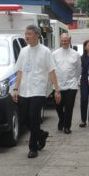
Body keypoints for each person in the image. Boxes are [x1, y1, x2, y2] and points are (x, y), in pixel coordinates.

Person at [12, 25, 61, 158]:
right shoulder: (23, 51)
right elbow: (20, 71)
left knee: (34, 118)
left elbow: (51, 71)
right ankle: (41, 134)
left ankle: (33, 148)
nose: (26, 36)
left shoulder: (45, 52)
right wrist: (15, 88)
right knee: (24, 118)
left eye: (29, 34)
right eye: (25, 34)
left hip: (38, 90)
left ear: (37, 35)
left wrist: (57, 90)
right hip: (24, 90)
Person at [52, 33, 81, 134]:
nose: (64, 42)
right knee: (58, 106)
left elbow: (78, 69)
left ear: (69, 41)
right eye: (62, 40)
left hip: (72, 84)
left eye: (66, 40)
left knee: (69, 107)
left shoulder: (75, 54)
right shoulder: (55, 54)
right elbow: (52, 70)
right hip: (58, 85)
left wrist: (75, 79)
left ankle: (67, 126)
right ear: (60, 41)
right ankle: (62, 119)